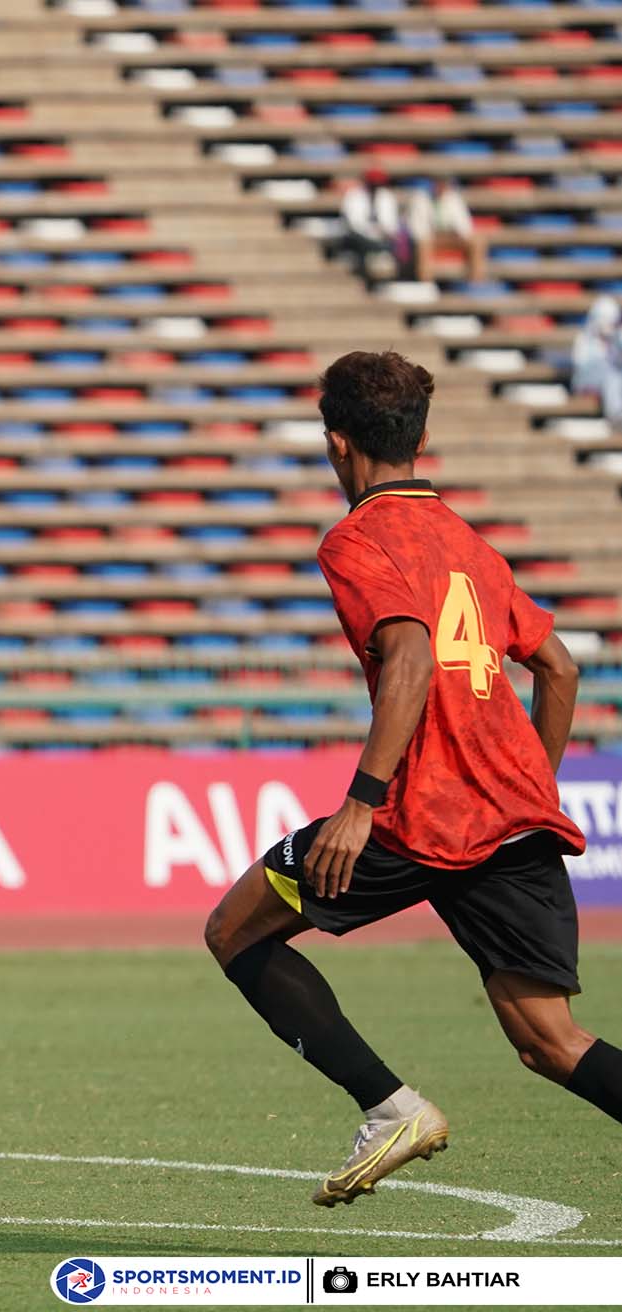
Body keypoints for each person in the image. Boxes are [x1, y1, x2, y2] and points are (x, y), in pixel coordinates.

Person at [203, 351, 610, 1209]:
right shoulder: (467, 542)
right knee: (550, 1041)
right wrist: (526, 785)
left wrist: (360, 803)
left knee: (234, 931)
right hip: (510, 818)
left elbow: (412, 657)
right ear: (417, 439)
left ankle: (390, 1108)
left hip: (415, 813)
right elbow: (559, 668)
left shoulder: (356, 539)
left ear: (337, 444)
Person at [408, 178, 488, 284]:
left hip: (452, 237)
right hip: (431, 239)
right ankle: (426, 282)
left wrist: (457, 232)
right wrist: (431, 235)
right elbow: (417, 228)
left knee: (478, 241)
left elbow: (465, 226)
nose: (441, 188)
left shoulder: (454, 199)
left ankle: (476, 282)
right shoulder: (421, 199)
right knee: (423, 244)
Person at [571, 296, 622, 425]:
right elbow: (580, 365)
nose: (611, 325)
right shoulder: (584, 339)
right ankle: (616, 416)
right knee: (610, 377)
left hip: (612, 378)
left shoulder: (615, 339)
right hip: (585, 380)